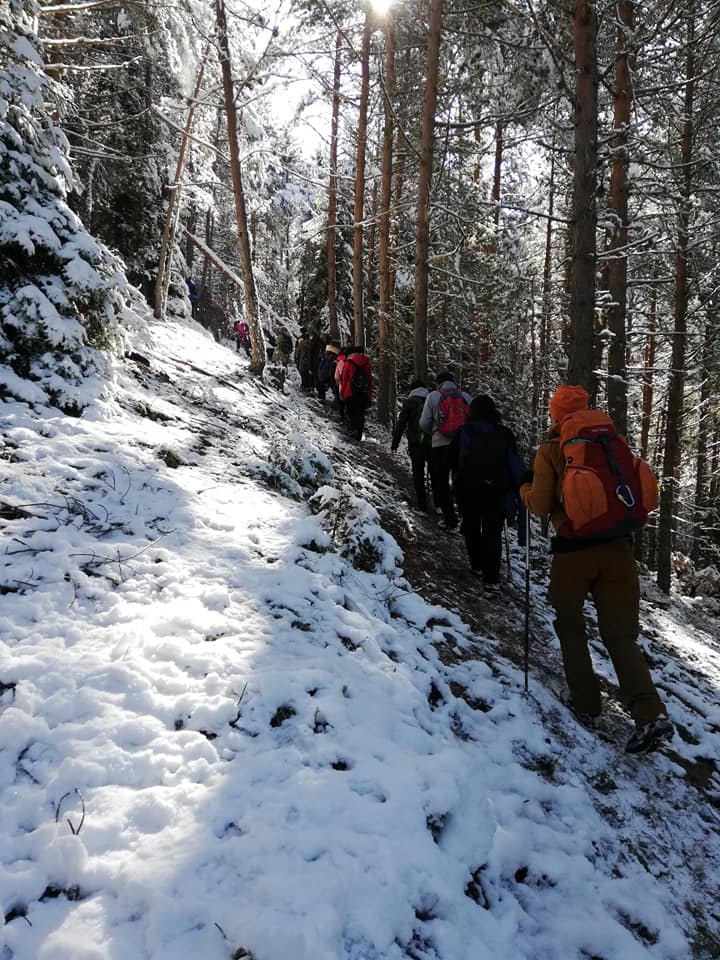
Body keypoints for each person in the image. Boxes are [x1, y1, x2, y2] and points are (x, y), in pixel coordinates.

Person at [519, 384, 673, 754]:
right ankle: (649, 713)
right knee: (621, 636)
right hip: (620, 550)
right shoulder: (611, 443)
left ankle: (586, 702)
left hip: (574, 553)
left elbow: (540, 505)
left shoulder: (552, 449)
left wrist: (524, 490)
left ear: (555, 414)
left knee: (571, 624)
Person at [451, 395, 524, 588]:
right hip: (497, 491)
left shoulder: (464, 431)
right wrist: (520, 488)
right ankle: (492, 578)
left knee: (472, 527)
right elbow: (514, 464)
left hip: (469, 489)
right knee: (493, 533)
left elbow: (453, 460)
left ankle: (477, 565)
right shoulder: (505, 434)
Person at [419, 370, 472, 530]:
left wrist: (435, 433)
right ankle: (466, 519)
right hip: (462, 445)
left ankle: (450, 519)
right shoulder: (465, 396)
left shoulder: (433, 396)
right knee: (461, 480)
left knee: (441, 480)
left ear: (438, 383)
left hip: (440, 445)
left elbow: (423, 423)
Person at [391, 380, 431, 513]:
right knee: (436, 473)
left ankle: (422, 506)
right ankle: (439, 506)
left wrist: (395, 443)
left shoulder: (410, 401)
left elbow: (402, 423)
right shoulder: (432, 399)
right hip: (434, 442)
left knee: (418, 473)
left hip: (416, 442)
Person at [339, 345, 372, 440]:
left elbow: (344, 379)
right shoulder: (367, 363)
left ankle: (352, 430)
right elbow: (369, 380)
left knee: (351, 412)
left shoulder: (349, 362)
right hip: (363, 393)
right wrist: (369, 394)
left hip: (350, 392)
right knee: (360, 414)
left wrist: (342, 393)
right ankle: (359, 434)